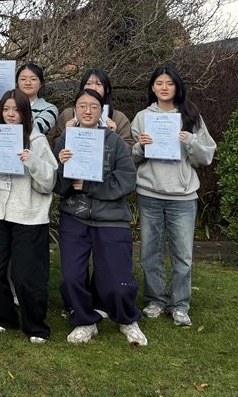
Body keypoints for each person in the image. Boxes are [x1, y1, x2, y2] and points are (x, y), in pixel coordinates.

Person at [54, 89, 147, 346]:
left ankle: (127, 319)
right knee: (71, 277)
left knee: (118, 281)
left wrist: (89, 186)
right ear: (75, 111)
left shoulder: (115, 141)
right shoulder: (64, 141)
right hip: (75, 216)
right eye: (82, 106)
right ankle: (85, 321)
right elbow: (57, 187)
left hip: (111, 219)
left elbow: (127, 180)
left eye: (93, 107)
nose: (87, 111)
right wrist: (62, 167)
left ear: (101, 111)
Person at [131, 65, 216, 328]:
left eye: (169, 83)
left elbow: (206, 157)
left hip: (182, 196)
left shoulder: (190, 115)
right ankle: (156, 299)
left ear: (177, 87)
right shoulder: (143, 117)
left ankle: (180, 304)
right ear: (152, 87)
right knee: (150, 252)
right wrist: (141, 146)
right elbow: (132, 158)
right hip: (150, 193)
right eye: (159, 83)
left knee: (183, 254)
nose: (164, 87)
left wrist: (190, 140)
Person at [0, 89, 56, 343]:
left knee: (26, 275)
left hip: (29, 216)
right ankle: (1, 317)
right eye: (6, 109)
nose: (11, 114)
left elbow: (49, 182)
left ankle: (35, 326)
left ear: (25, 113)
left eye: (16, 110)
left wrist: (31, 161)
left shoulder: (37, 140)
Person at [49, 68, 133, 149]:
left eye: (98, 84)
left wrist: (113, 136)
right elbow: (54, 145)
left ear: (107, 89)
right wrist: (67, 133)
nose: (93, 88)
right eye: (88, 84)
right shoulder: (67, 114)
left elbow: (128, 150)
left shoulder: (119, 118)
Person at [15, 63, 58, 135]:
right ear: (17, 82)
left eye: (33, 79)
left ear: (41, 83)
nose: (28, 83)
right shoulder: (6, 106)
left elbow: (35, 130)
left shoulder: (49, 109)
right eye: (23, 79)